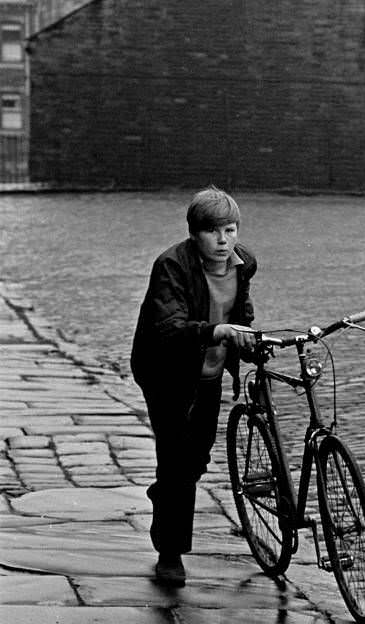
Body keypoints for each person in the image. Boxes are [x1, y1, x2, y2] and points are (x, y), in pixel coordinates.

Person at [130, 186, 257, 587]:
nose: (223, 241)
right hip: (166, 372)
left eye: (230, 230)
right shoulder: (172, 265)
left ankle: (165, 492)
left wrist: (249, 339)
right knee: (176, 460)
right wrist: (217, 330)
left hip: (208, 372)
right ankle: (170, 553)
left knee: (196, 458)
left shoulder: (243, 264)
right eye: (213, 231)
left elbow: (242, 311)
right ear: (194, 233)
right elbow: (168, 327)